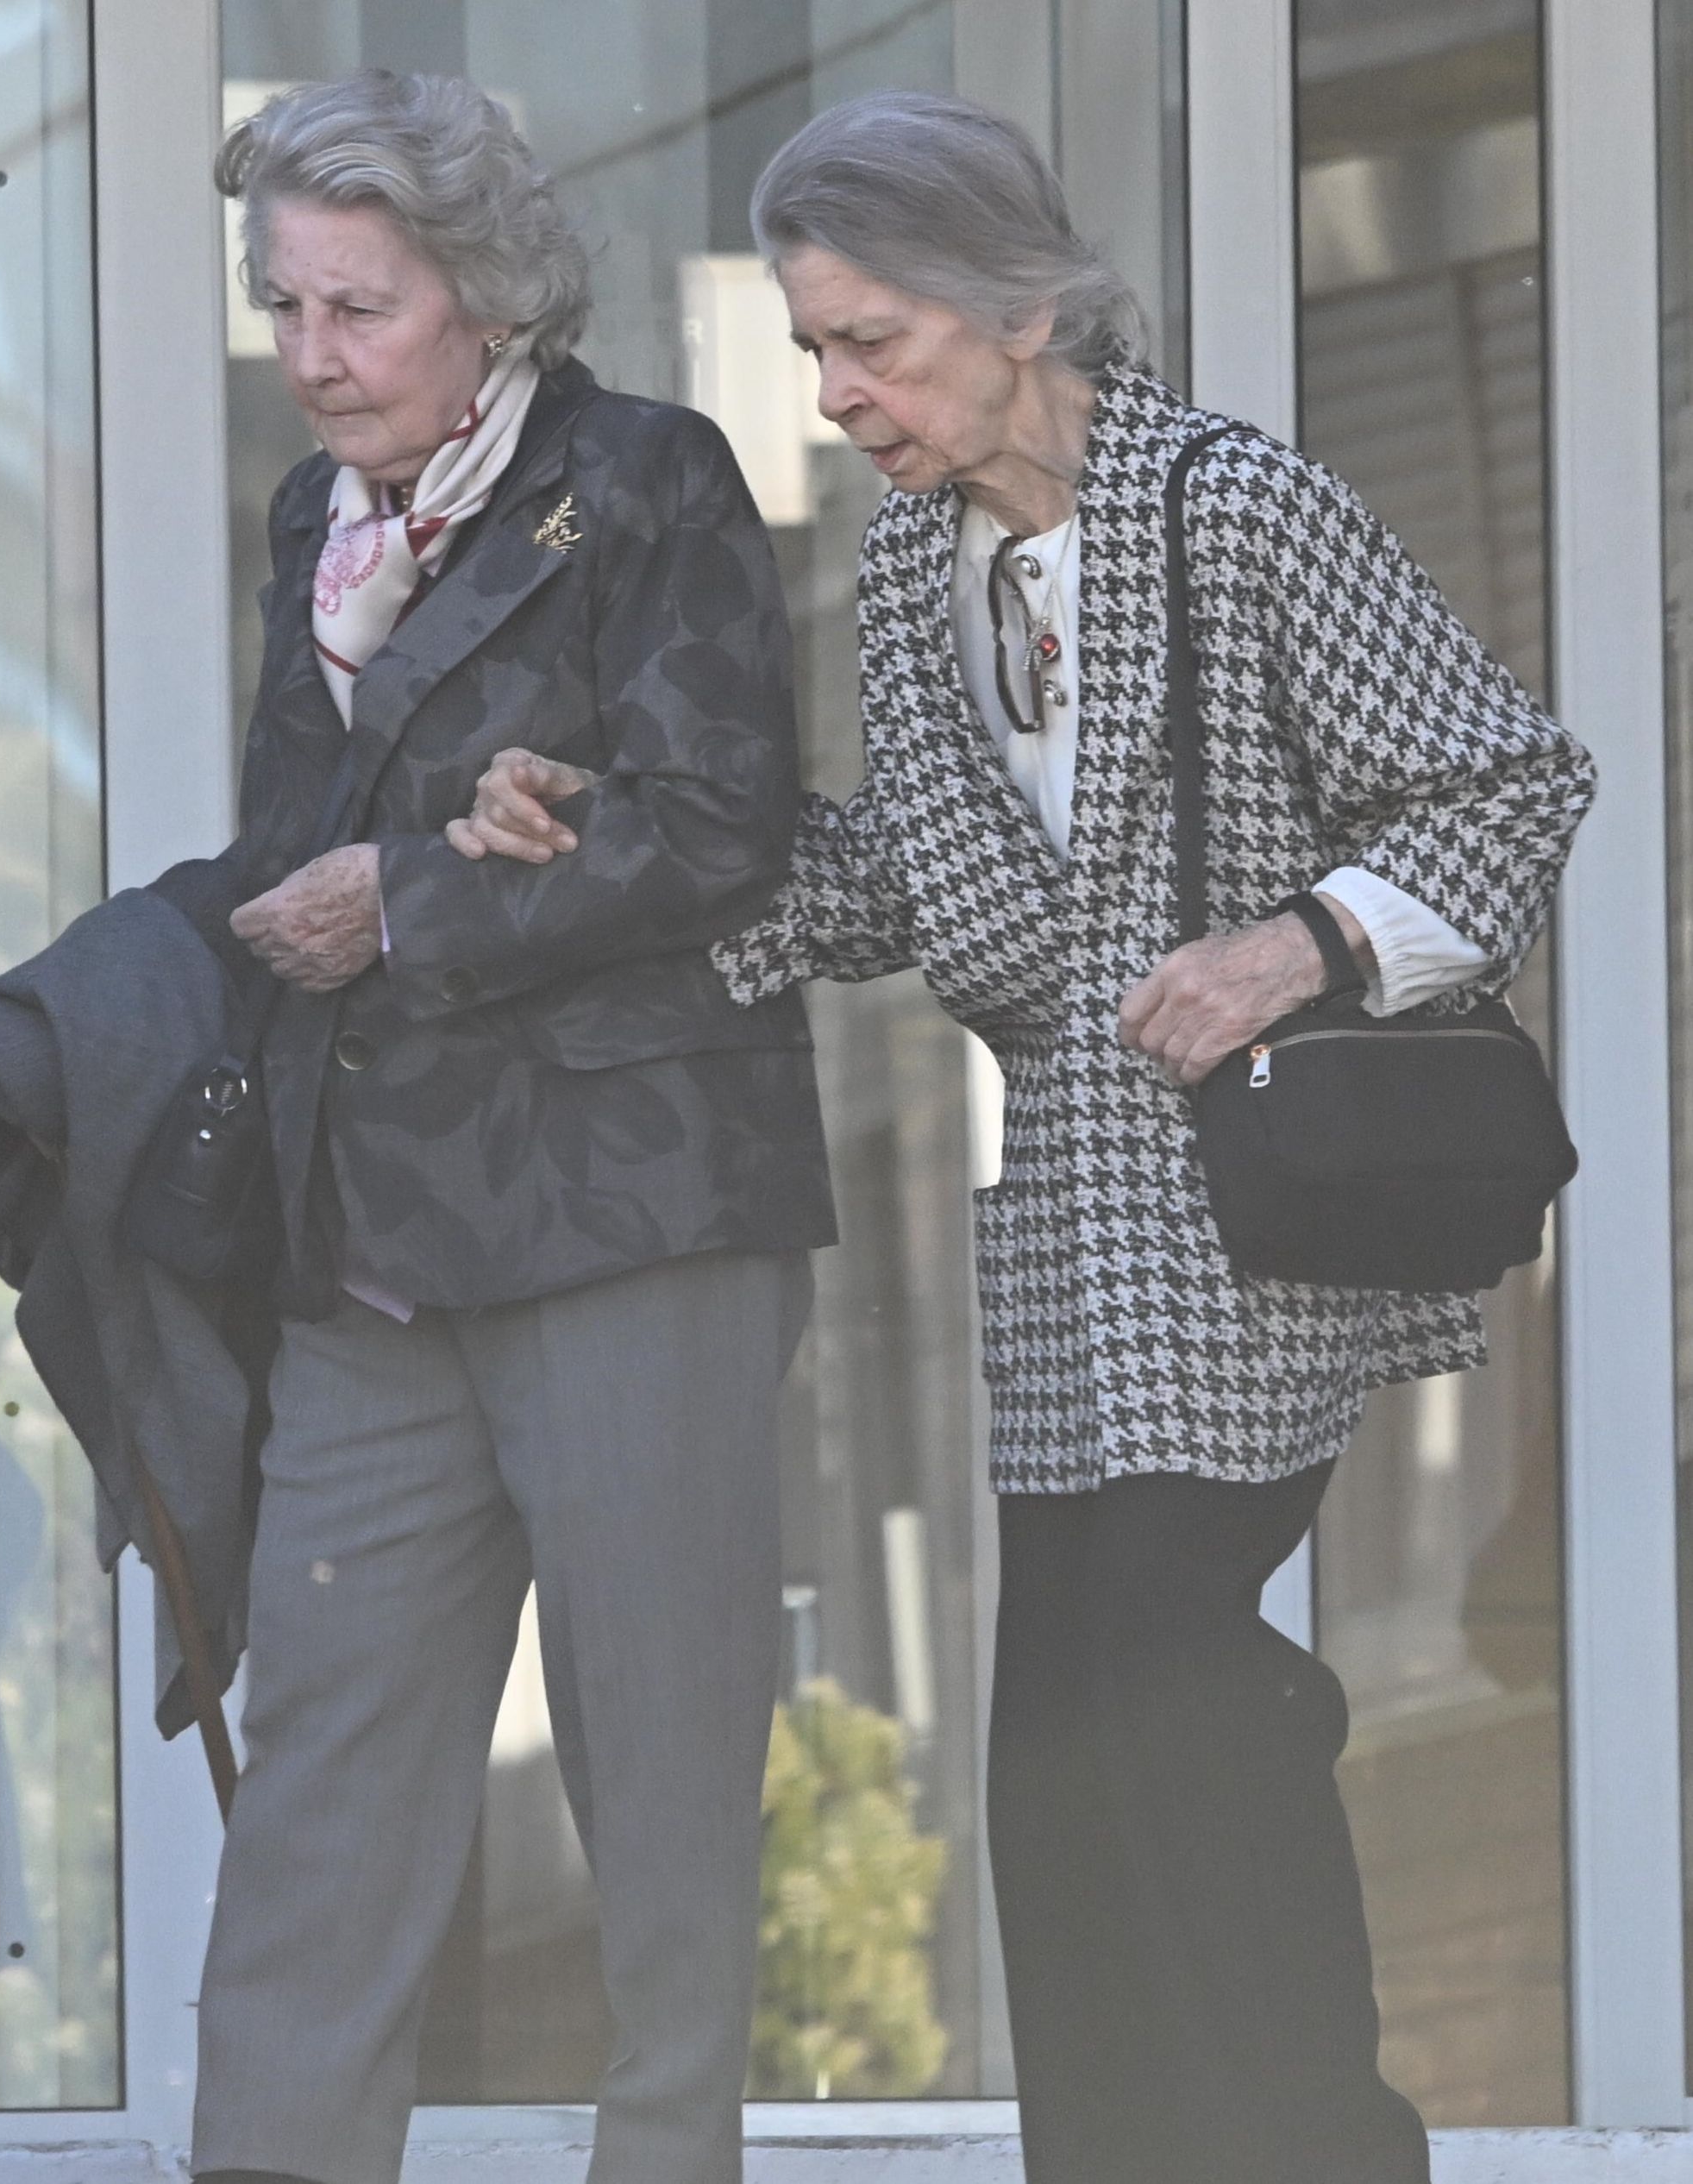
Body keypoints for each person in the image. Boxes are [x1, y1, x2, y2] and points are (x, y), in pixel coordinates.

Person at [452, 91, 1596, 2184]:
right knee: (1063, 1764)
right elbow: (919, 889)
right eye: (812, 348)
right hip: (1073, 1230)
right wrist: (615, 844)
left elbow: (1507, 784)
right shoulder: (910, 575)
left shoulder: (1232, 510)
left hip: (1256, 1216)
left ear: (1020, 308)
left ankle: (1320, 2150)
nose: (837, 391)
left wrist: (1296, 942)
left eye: (870, 339)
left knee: (1155, 1697)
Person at [190, 70, 834, 2184]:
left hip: (629, 1222)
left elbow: (730, 824)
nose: (310, 355)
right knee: (315, 1810)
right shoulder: (315, 520)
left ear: (481, 296)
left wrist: (424, 893)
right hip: (370, 1249)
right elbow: (309, 857)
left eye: (355, 307)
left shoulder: (644, 478)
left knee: (659, 1810)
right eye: (284, 305)